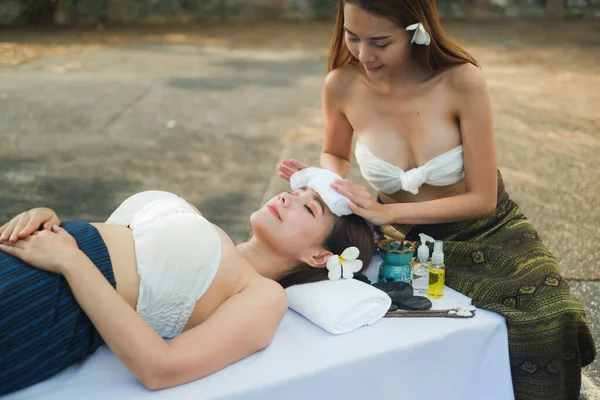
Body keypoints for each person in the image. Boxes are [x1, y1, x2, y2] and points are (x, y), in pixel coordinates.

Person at [278, 1, 596, 399]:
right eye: (352, 37)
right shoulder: (341, 84)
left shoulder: (462, 81)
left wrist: (385, 210)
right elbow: (336, 154)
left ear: (416, 30)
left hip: (486, 228)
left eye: (380, 42)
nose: (363, 54)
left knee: (553, 316)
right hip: (400, 237)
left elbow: (482, 200)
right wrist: (326, 182)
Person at [0, 187, 375, 396]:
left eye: (308, 209)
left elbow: (160, 369)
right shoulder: (202, 223)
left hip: (46, 301)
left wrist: (72, 261)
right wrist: (47, 219)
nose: (287, 199)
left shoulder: (261, 295)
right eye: (297, 192)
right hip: (31, 254)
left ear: (318, 256)